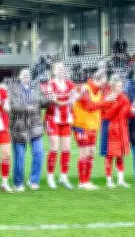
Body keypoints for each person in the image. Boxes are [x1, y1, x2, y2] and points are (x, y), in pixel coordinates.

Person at [72, 70, 115, 190]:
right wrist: (106, 102)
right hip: (81, 125)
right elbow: (89, 106)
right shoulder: (84, 88)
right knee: (84, 153)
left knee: (91, 153)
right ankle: (82, 182)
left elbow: (101, 107)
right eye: (104, 80)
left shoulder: (99, 91)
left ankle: (87, 181)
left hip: (93, 126)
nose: (105, 83)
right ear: (99, 79)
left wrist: (108, 103)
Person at [9, 68, 48, 191]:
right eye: (24, 74)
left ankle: (33, 180)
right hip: (19, 127)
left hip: (35, 126)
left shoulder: (36, 87)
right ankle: (18, 183)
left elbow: (42, 102)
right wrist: (26, 108)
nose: (26, 75)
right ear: (20, 77)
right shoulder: (13, 88)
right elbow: (13, 106)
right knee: (19, 157)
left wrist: (50, 99)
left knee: (39, 153)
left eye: (28, 74)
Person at [43, 62, 77, 190]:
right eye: (59, 69)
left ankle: (63, 176)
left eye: (63, 68)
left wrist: (76, 96)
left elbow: (75, 96)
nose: (62, 70)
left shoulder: (69, 83)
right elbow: (55, 102)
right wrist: (69, 100)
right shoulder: (50, 84)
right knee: (54, 147)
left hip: (66, 119)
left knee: (67, 148)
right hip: (53, 119)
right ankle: (50, 176)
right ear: (54, 71)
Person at [100, 75, 134, 188]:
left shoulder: (124, 97)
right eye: (119, 86)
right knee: (109, 156)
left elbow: (128, 114)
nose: (121, 87)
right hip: (111, 130)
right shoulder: (109, 97)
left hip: (122, 129)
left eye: (121, 85)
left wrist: (133, 110)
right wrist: (119, 103)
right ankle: (109, 180)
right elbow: (107, 115)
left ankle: (121, 180)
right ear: (113, 86)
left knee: (120, 155)